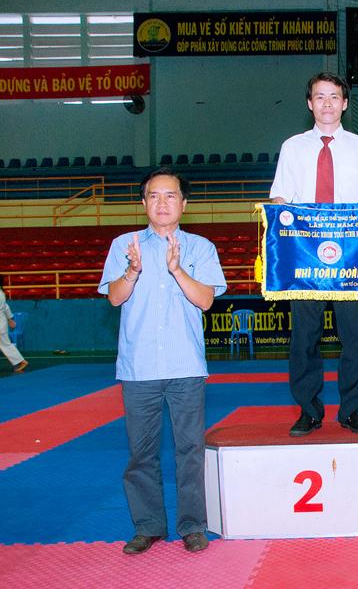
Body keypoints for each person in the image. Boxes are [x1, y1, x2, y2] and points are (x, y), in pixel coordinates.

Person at [99, 168, 226, 554]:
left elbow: (206, 300)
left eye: (170, 195)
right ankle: (148, 525)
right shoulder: (124, 245)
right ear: (143, 203)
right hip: (138, 367)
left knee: (190, 451)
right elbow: (115, 297)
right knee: (141, 453)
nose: (162, 203)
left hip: (185, 365)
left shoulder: (201, 247)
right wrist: (132, 270)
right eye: (154, 196)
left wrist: (176, 269)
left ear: (183, 204)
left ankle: (193, 525)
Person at [270, 71, 358, 436]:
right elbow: (280, 196)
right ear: (309, 103)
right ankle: (308, 410)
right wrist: (281, 211)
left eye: (334, 97)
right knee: (304, 339)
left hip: (350, 260)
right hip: (305, 257)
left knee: (355, 339)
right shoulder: (292, 147)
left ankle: (352, 409)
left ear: (345, 103)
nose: (327, 103)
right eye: (320, 97)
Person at [0, 287, 27, 372]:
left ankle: (21, 361)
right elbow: (6, 307)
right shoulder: (1, 293)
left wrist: (10, 319)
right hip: (2, 323)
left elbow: (5, 307)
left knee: (5, 345)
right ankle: (21, 361)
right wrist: (10, 319)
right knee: (5, 344)